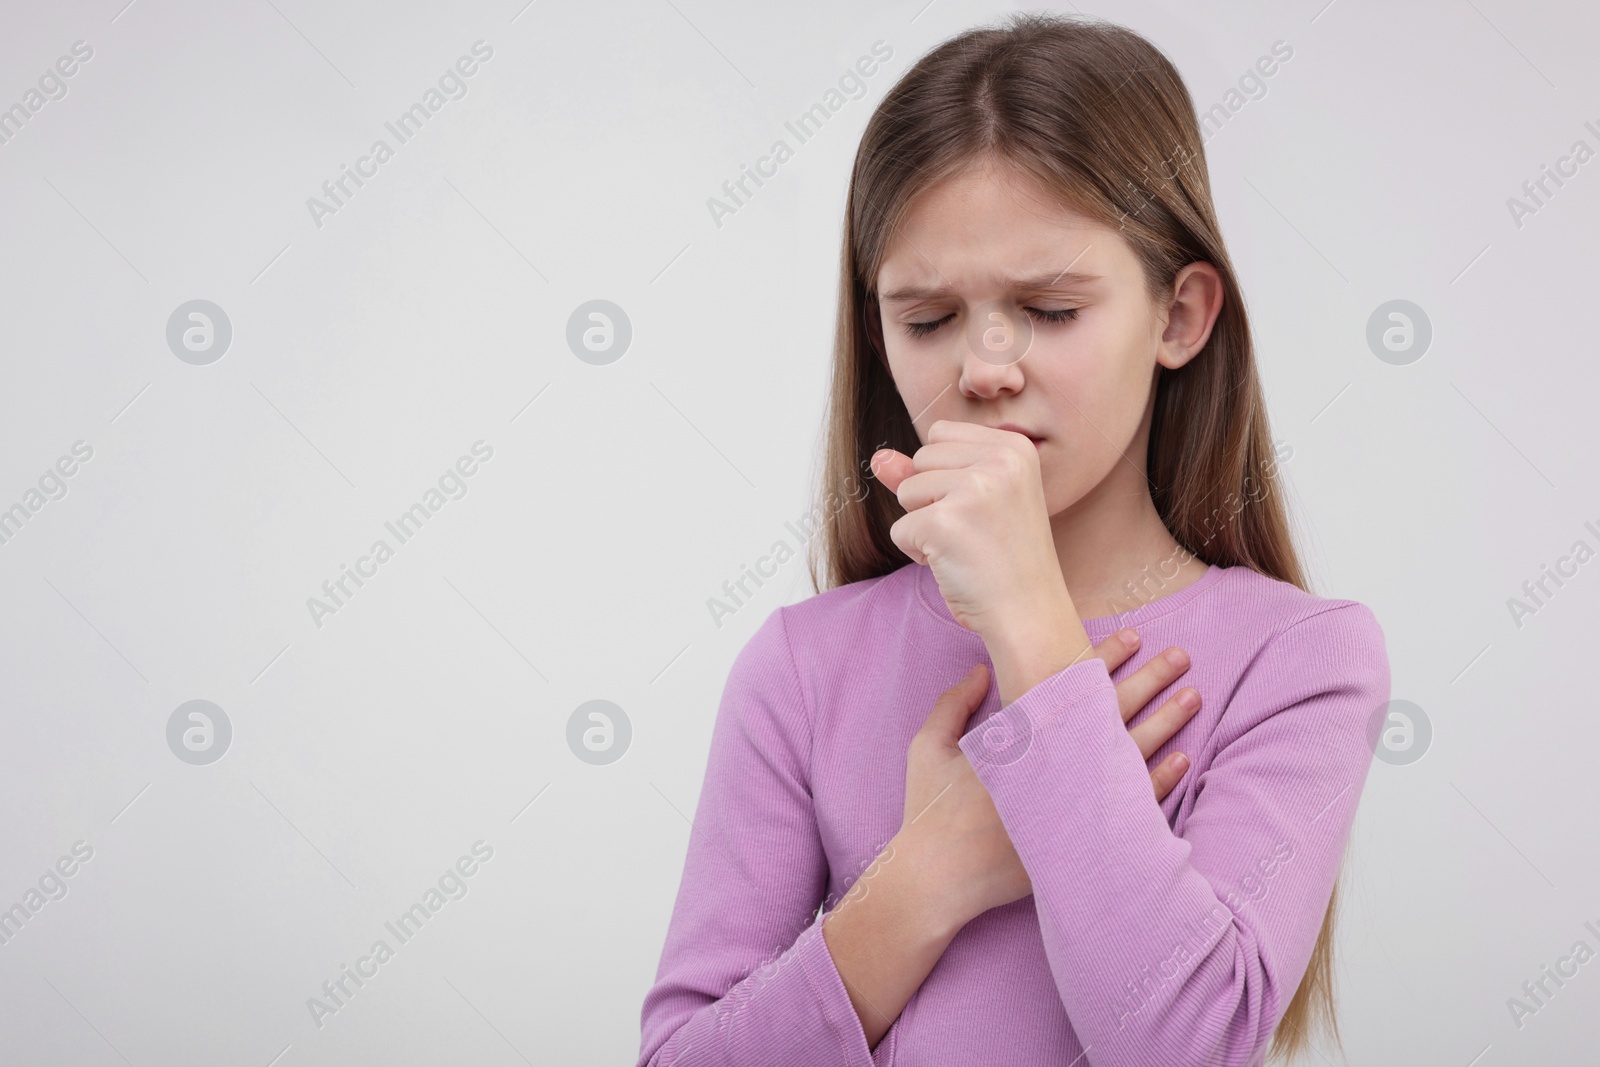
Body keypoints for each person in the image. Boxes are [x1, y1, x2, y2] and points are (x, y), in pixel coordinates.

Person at [638, 12, 1390, 1066]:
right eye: (929, 318)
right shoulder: (802, 666)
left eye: (1046, 306)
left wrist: (1037, 635)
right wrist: (931, 868)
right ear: (877, 332)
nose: (985, 366)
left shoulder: (1301, 659)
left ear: (1178, 316)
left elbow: (1185, 1045)